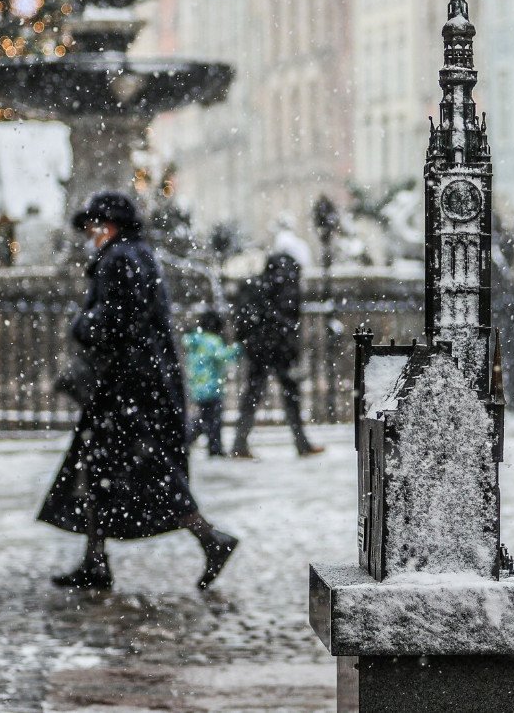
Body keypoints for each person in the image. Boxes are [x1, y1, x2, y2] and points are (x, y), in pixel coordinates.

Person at [38, 191, 238, 591]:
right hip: (137, 385)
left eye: (95, 226)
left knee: (145, 470)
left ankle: (209, 538)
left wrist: (81, 325)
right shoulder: (138, 255)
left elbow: (115, 321)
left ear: (109, 225)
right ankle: (96, 560)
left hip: (127, 387)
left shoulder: (119, 259)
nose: (90, 235)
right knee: (103, 469)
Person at [230, 252, 325, 459]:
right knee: (289, 395)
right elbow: (288, 319)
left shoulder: (258, 286)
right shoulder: (285, 285)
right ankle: (301, 443)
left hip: (260, 349)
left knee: (253, 394)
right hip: (278, 349)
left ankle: (240, 443)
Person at [183, 310, 239, 457]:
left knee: (205, 418)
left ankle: (190, 441)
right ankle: (213, 447)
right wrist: (237, 349)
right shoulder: (212, 340)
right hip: (211, 386)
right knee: (213, 420)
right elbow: (221, 355)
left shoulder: (196, 340)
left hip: (198, 386)